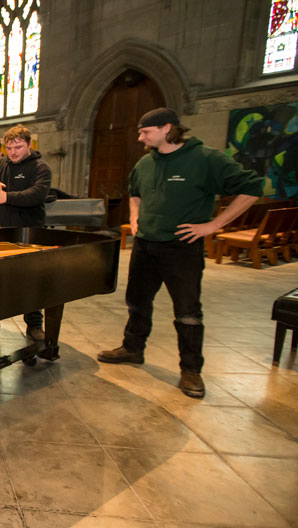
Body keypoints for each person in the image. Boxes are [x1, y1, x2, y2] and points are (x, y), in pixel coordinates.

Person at [97, 107, 262, 398]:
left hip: (182, 249)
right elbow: (135, 192)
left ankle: (191, 369)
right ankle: (132, 348)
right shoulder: (146, 163)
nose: (140, 138)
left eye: (145, 132)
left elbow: (252, 187)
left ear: (167, 128)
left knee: (187, 312)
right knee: (137, 302)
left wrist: (214, 225)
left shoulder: (205, 159)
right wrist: (135, 217)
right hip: (145, 245)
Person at [0, 124, 52, 342]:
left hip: (29, 234)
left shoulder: (41, 167)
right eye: (9, 148)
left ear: (29, 144)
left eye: (18, 147)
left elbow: (36, 195)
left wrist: (6, 197)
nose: (13, 152)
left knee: (31, 280)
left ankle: (34, 325)